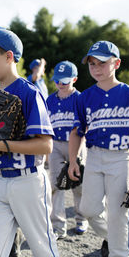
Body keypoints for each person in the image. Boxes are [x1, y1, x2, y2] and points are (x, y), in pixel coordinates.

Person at [0, 28, 59, 257]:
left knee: (42, 248)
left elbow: (46, 146)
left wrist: (5, 145)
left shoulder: (29, 92)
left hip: (27, 181)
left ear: (9, 57)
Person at [68, 41, 129, 257]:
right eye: (92, 64)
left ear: (117, 63)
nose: (96, 68)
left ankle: (119, 255)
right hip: (95, 156)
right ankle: (112, 236)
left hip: (121, 158)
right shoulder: (85, 97)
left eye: (102, 63)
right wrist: (72, 161)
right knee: (88, 210)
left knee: (118, 213)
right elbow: (76, 132)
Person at [46, 61, 88, 240]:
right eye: (57, 81)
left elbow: (85, 126)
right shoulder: (49, 100)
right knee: (57, 185)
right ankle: (58, 225)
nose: (61, 85)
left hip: (77, 144)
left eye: (65, 81)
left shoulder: (80, 98)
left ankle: (81, 218)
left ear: (74, 79)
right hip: (55, 145)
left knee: (78, 184)